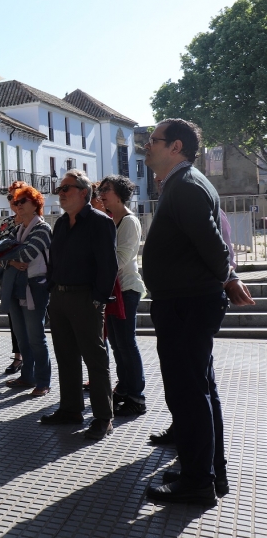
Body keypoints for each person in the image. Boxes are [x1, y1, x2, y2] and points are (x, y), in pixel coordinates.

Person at [142, 119, 254, 505]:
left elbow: (210, 241)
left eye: (152, 140)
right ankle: (207, 472)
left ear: (175, 147)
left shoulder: (186, 185)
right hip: (185, 301)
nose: (146, 146)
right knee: (199, 390)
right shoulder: (182, 183)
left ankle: (198, 481)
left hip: (186, 303)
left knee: (188, 392)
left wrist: (228, 278)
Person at [149, 207, 239, 446]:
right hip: (181, 301)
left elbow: (224, 255)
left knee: (198, 383)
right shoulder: (176, 209)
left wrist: (229, 279)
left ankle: (202, 457)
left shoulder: (204, 210)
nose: (157, 180)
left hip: (195, 303)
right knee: (189, 381)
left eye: (161, 176)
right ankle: (184, 431)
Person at [40, 169, 117, 441]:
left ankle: (103, 418)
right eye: (60, 189)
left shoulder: (100, 222)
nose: (60, 193)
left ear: (83, 193)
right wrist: (51, 288)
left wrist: (97, 298)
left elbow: (109, 266)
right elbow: (54, 260)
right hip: (59, 298)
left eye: (65, 189)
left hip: (86, 298)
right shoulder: (61, 224)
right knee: (66, 356)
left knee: (95, 359)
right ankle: (71, 410)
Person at [98, 175, 148, 416]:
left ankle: (137, 396)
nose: (101, 193)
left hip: (126, 289)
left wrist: (94, 267)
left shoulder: (128, 222)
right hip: (112, 289)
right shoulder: (109, 219)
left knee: (126, 344)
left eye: (106, 189)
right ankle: (125, 387)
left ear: (119, 194)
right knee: (117, 344)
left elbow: (120, 259)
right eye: (101, 189)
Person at [0, 186, 53, 397]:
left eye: (22, 202)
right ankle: (27, 376)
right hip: (15, 287)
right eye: (16, 202)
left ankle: (43, 381)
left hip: (35, 288)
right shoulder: (17, 229)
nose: (17, 205)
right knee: (21, 337)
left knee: (36, 337)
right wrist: (10, 258)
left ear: (35, 205)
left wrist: (9, 255)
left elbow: (27, 253)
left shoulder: (43, 228)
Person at [0, 181, 28, 375]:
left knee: (30, 322)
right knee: (14, 319)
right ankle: (18, 357)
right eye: (10, 197)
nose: (14, 201)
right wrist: (7, 266)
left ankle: (31, 361)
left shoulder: (34, 222)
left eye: (19, 197)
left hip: (29, 278)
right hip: (8, 276)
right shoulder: (6, 223)